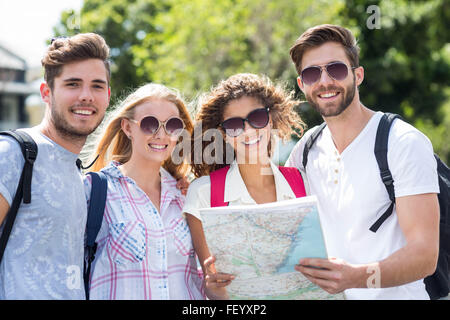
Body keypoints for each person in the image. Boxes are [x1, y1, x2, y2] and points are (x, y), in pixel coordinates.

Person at [285, 24, 440, 299]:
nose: (324, 81)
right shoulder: (305, 150)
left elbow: (425, 254)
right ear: (302, 85)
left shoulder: (402, 142)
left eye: (336, 69)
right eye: (311, 73)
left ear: (357, 75)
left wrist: (356, 278)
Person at [0, 33, 111, 299]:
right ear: (46, 93)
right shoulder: (13, 153)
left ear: (107, 95)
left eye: (97, 86)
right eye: (73, 84)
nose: (86, 96)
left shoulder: (77, 170)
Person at [183, 73, 307, 299]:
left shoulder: (303, 182)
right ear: (223, 133)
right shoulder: (203, 193)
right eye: (234, 125)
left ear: (270, 119)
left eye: (257, 118)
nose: (248, 130)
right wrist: (213, 284)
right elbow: (213, 289)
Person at [83, 83, 205, 300]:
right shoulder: (94, 192)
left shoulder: (186, 195)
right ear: (128, 128)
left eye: (172, 125)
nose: (162, 134)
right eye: (150, 124)